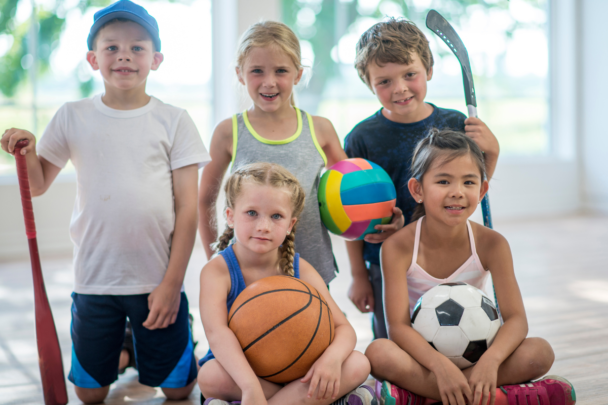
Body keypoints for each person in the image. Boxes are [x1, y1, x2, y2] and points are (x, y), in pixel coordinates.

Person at [1, 0, 210, 402]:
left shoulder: (174, 120)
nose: (124, 55)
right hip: (95, 278)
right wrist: (25, 150)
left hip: (155, 279)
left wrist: (171, 284)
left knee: (179, 390)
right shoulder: (72, 116)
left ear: (156, 59)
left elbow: (187, 209)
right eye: (111, 47)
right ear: (93, 59)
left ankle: (150, 341)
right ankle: (127, 349)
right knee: (89, 396)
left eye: (137, 47)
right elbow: (39, 183)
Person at [364, 129, 576, 405]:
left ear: (482, 190)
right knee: (378, 352)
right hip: (425, 360)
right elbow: (398, 328)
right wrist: (441, 367)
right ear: (417, 190)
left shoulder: (492, 244)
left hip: (481, 353)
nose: (457, 192)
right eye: (443, 181)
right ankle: (496, 398)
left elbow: (516, 320)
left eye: (468, 182)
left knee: (539, 352)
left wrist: (491, 361)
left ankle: (422, 398)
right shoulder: (398, 246)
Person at [198, 20, 403, 285]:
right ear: (240, 74)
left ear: (298, 74)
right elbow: (205, 201)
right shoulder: (228, 132)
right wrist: (213, 261)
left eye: (281, 71)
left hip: (312, 267)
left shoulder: (320, 129)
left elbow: (352, 194)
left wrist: (381, 219)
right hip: (248, 272)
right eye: (257, 71)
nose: (269, 82)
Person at [344, 17, 500, 340]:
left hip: (448, 256)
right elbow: (348, 211)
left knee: (457, 337)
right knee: (392, 343)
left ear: (428, 70)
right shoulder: (361, 138)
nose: (399, 88)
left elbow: (470, 191)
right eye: (384, 81)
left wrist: (492, 154)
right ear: (368, 82)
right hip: (387, 262)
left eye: (409, 75)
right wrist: (359, 274)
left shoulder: (456, 123)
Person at [197, 162, 375, 405]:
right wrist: (250, 386)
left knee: (358, 363)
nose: (263, 226)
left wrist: (330, 360)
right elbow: (217, 334)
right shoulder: (218, 271)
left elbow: (344, 329)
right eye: (251, 213)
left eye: (276, 216)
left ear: (290, 224)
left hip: (299, 371)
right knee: (209, 376)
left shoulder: (301, 269)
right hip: (244, 372)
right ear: (230, 216)